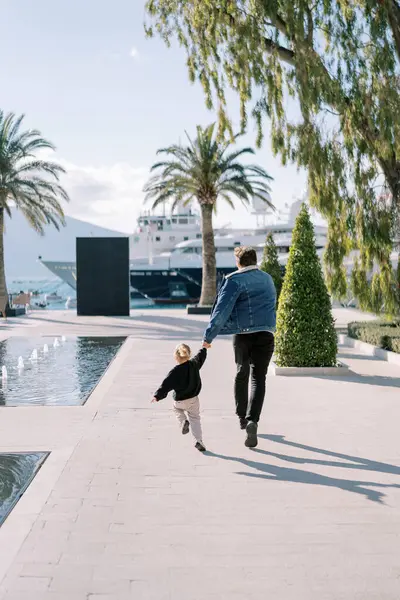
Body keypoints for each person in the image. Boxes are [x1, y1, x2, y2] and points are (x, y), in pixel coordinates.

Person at [203, 246, 276, 448]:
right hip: (266, 335)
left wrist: (209, 337)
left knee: (241, 372)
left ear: (238, 262)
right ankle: (253, 420)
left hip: (243, 336)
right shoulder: (267, 279)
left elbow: (221, 311)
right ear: (255, 260)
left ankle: (242, 418)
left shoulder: (234, 280)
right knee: (258, 378)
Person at [152, 343, 207, 452]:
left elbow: (166, 384)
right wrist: (204, 348)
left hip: (180, 401)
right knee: (195, 419)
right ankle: (199, 441)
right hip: (193, 400)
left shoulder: (175, 371)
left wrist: (157, 396)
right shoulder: (194, 364)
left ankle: (183, 421)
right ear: (189, 354)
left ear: (176, 357)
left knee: (176, 409)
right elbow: (200, 357)